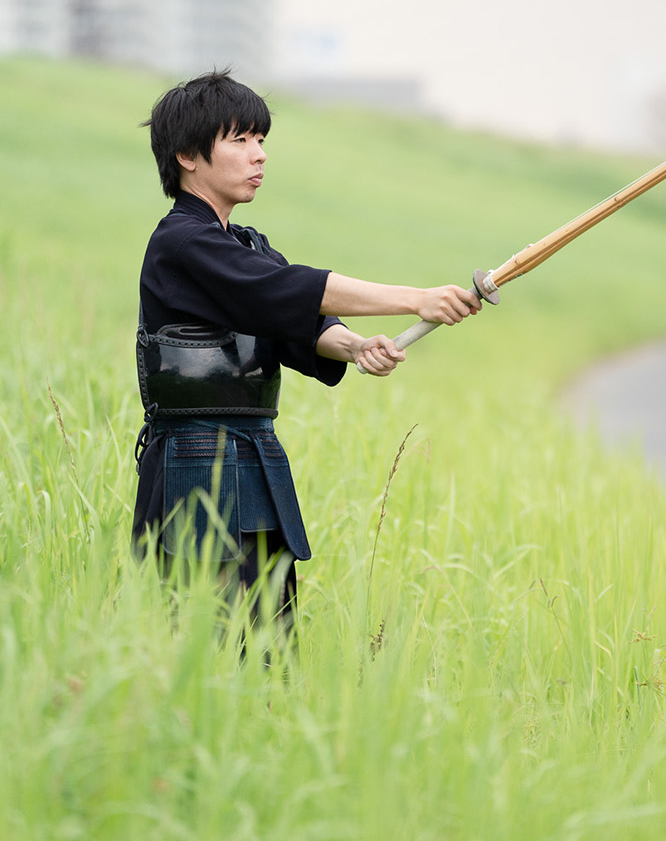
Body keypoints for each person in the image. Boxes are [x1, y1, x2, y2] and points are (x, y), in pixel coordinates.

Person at [132, 69, 480, 631]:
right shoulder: (181, 243)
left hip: (254, 464)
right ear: (187, 156)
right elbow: (288, 289)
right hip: (194, 468)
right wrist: (415, 298)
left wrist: (356, 344)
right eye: (240, 140)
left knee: (269, 642)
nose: (259, 155)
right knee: (206, 645)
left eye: (261, 140)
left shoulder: (244, 244)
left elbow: (298, 322)